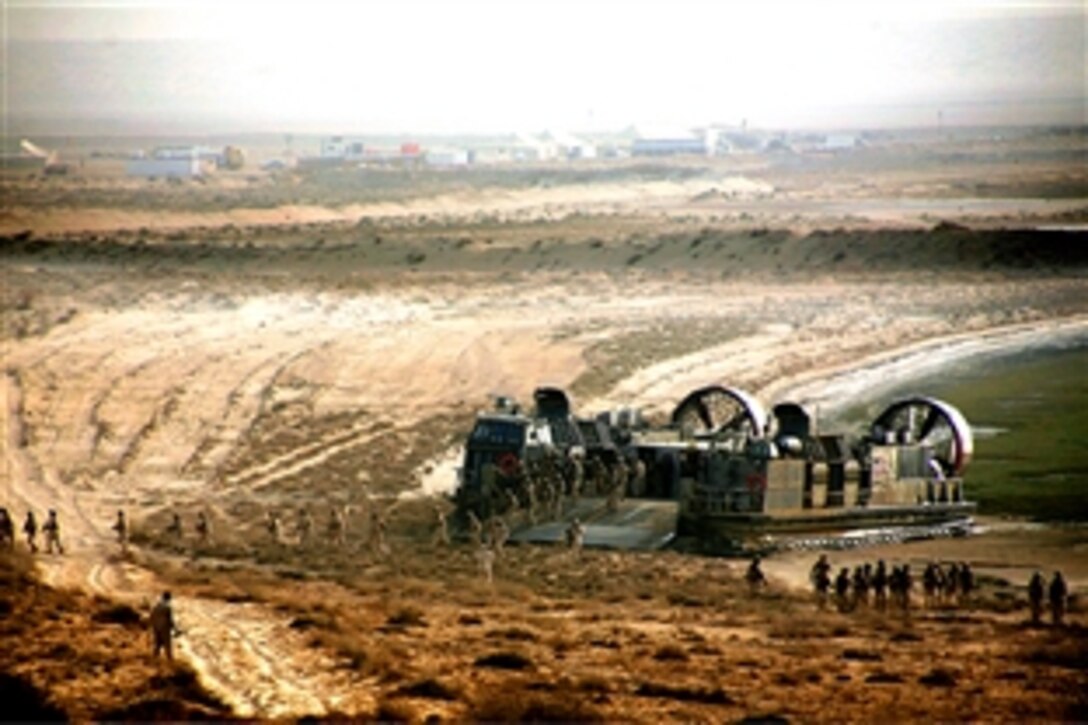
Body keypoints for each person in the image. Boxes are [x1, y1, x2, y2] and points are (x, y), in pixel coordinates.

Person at [150, 591, 180, 661]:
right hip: (165, 628)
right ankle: (170, 661)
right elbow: (170, 620)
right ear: (169, 598)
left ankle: (154, 659)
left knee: (157, 644)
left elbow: (152, 617)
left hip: (156, 627)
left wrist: (152, 626)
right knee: (167, 646)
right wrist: (175, 629)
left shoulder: (156, 606)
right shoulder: (167, 608)